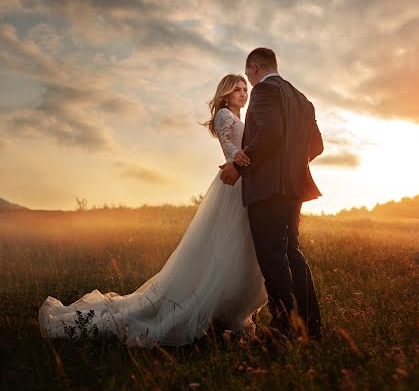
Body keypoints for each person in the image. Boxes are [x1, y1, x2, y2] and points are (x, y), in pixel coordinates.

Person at [39, 75, 268, 348]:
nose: (243, 93)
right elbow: (232, 152)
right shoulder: (223, 116)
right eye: (237, 90)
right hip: (234, 183)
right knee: (224, 251)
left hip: (245, 183)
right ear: (225, 94)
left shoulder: (238, 117)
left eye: (245, 89)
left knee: (240, 251)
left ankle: (230, 314)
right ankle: (208, 309)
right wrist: (246, 159)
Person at [220, 48, 324, 341]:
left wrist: (239, 166)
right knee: (293, 254)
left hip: (267, 190)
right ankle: (311, 326)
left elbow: (269, 133)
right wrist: (290, 167)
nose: (249, 86)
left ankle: (282, 329)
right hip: (293, 190)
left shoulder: (265, 91)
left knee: (273, 258)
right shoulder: (302, 99)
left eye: (248, 78)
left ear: (253, 68)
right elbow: (316, 146)